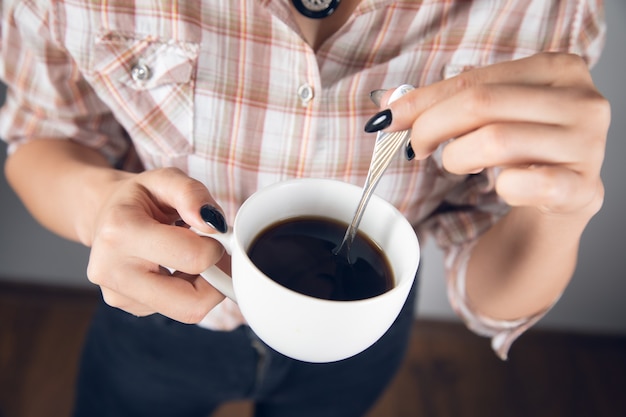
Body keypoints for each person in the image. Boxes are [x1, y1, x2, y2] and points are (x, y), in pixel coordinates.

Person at [0, 0, 609, 416]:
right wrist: (99, 203)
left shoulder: (548, 12)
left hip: (357, 346)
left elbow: (489, 295)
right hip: (156, 317)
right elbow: (45, 137)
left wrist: (563, 210)